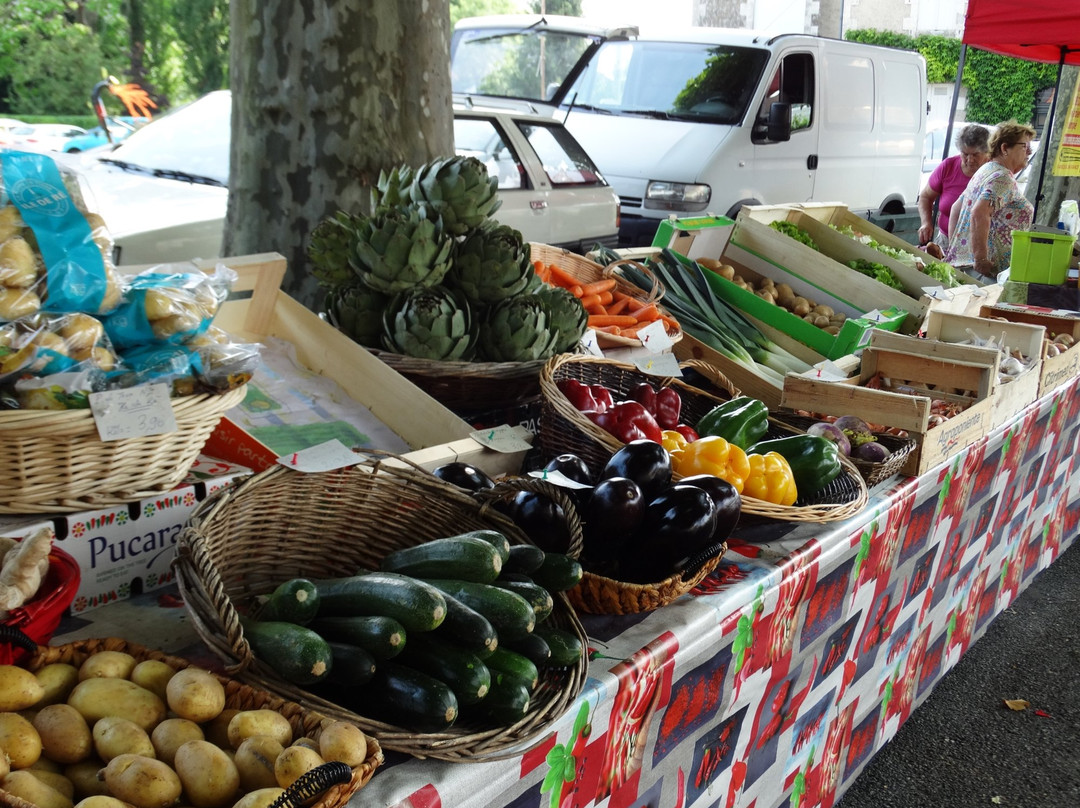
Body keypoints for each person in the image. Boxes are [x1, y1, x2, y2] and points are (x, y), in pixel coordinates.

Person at [944, 121, 1037, 279]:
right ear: (1004, 148)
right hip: (989, 273)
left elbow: (956, 208)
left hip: (972, 270)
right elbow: (979, 212)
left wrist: (958, 252)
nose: (1029, 151)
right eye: (1024, 146)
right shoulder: (1002, 178)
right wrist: (980, 259)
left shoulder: (986, 170)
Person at [917, 124, 991, 255]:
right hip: (945, 242)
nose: (970, 159)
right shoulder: (948, 166)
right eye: (965, 153)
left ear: (987, 152)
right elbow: (925, 197)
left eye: (975, 154)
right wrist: (926, 223)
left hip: (979, 246)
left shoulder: (993, 172)